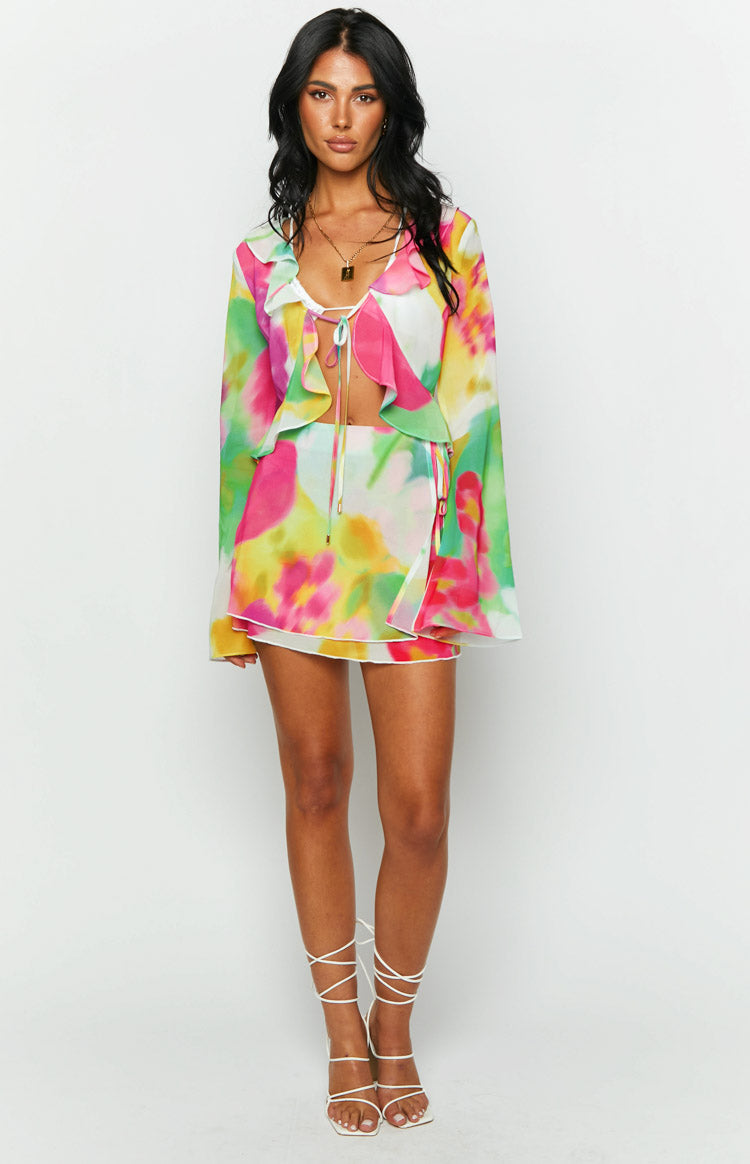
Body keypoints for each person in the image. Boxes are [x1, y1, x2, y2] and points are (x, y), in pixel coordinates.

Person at [209, 6, 521, 1137]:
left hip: (411, 553)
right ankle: (345, 1035)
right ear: (295, 106)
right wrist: (230, 605)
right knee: (316, 784)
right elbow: (240, 429)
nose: (341, 116)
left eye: (364, 93)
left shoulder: (448, 241)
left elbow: (474, 415)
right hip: (289, 553)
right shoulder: (259, 254)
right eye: (321, 93)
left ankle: (398, 1020)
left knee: (420, 812)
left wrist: (469, 577)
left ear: (392, 107)